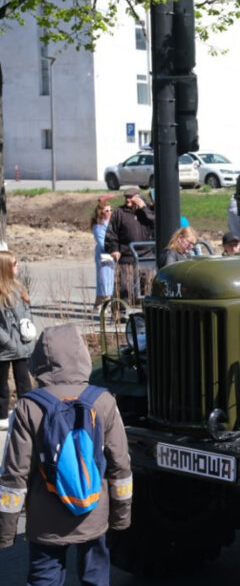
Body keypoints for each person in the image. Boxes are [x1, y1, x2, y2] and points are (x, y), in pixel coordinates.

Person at [0, 324, 132, 585]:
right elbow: (121, 467)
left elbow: (14, 475)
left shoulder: (28, 406)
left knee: (44, 578)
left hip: (46, 523)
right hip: (94, 514)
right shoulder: (104, 401)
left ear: (38, 361)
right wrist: (120, 517)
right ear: (81, 356)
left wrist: (6, 531)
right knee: (96, 578)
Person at [0, 251, 35, 430]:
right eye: (14, 264)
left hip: (22, 345)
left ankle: (26, 413)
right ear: (5, 267)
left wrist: (28, 328)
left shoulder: (20, 288)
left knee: (24, 382)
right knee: (2, 385)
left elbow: (27, 310)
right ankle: (2, 416)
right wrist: (9, 343)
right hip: (4, 349)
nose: (17, 266)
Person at [105, 188, 155, 308]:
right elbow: (111, 234)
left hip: (145, 255)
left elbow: (155, 222)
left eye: (131, 197)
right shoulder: (119, 213)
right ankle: (120, 312)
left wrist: (144, 208)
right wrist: (114, 249)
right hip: (126, 255)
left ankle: (147, 311)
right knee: (123, 286)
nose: (128, 200)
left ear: (138, 198)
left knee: (148, 285)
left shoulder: (148, 211)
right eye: (126, 197)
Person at [90, 198, 114, 311]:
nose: (109, 213)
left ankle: (100, 305)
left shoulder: (112, 224)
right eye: (107, 211)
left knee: (109, 281)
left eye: (110, 210)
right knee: (104, 281)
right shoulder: (98, 227)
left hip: (113, 256)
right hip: (104, 256)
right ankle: (101, 305)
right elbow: (103, 242)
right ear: (101, 212)